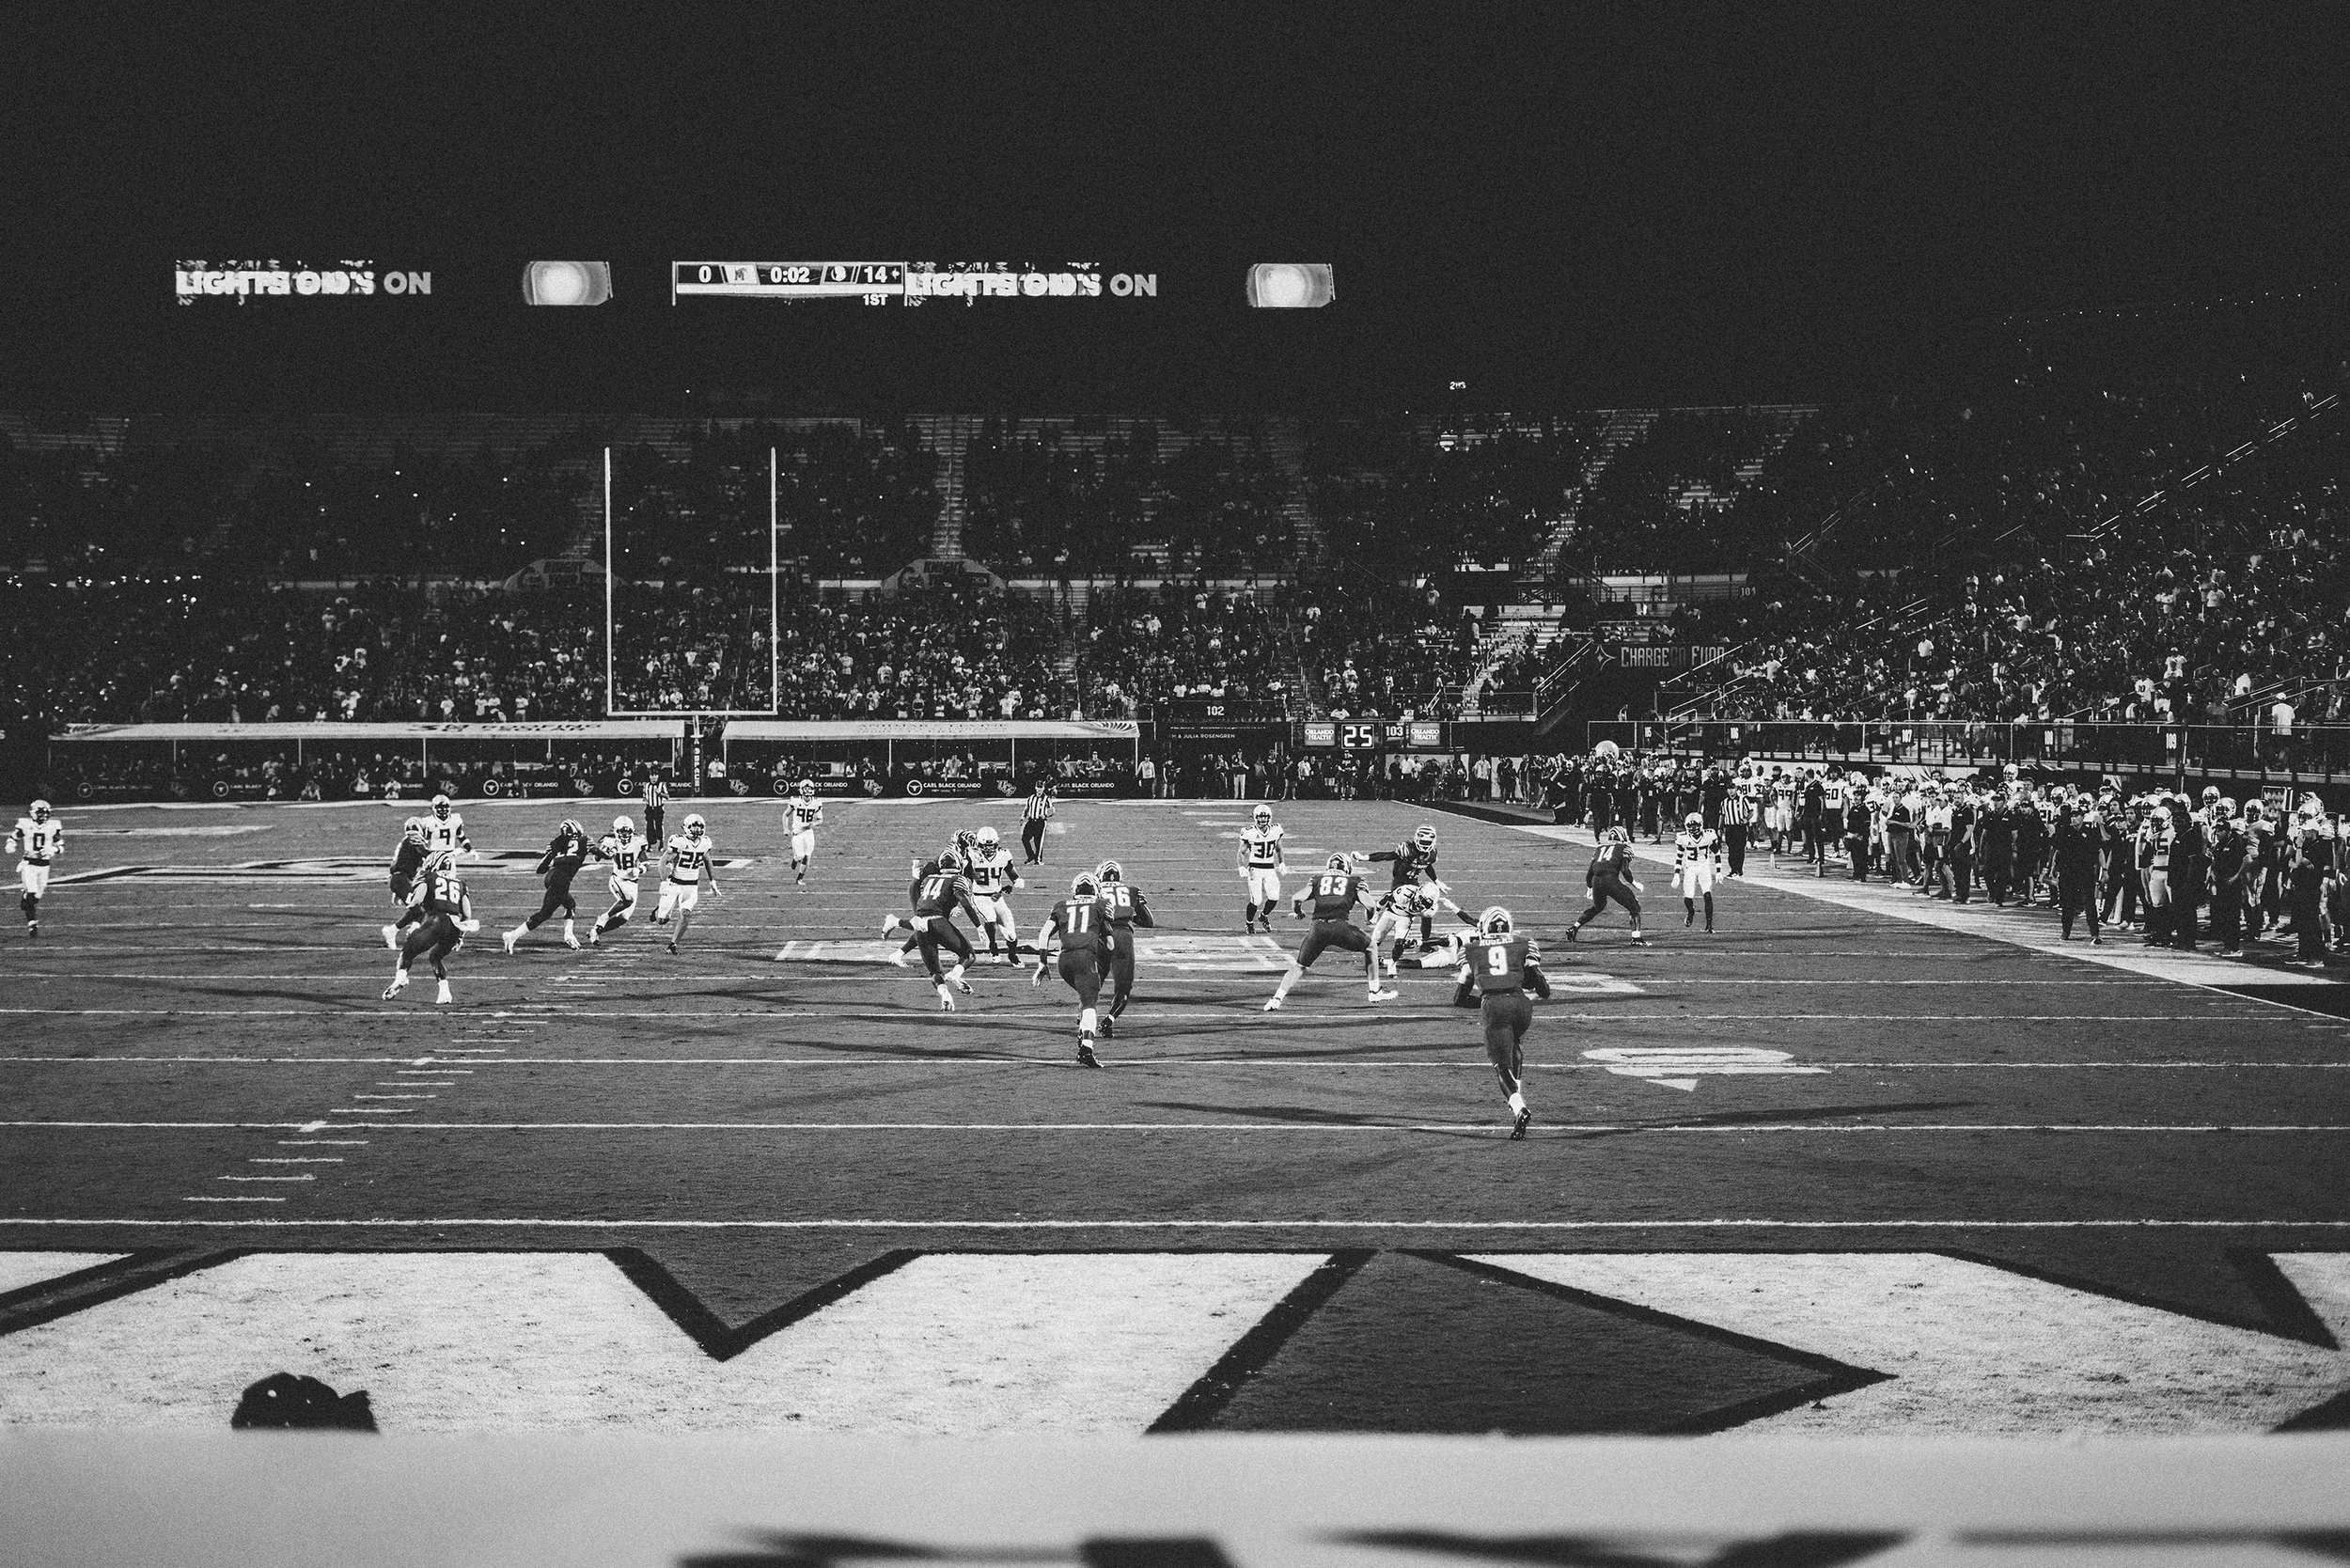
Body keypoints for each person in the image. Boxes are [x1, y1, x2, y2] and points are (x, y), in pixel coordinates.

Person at [1451, 905, 1551, 1140]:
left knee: (1500, 1066)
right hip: (1522, 1006)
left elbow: (1459, 999)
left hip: (1494, 1006)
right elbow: (1541, 986)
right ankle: (1516, 1095)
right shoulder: (1524, 943)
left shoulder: (1471, 949)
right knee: (1514, 1041)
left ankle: (1519, 1107)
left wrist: (1487, 1002)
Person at [1262, 852, 1399, 1010]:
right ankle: (1374, 991)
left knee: (1299, 966)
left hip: (1317, 928)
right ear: (1347, 868)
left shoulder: (1317, 880)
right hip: (1339, 927)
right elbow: (1371, 905)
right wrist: (1369, 918)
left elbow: (1296, 898)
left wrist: (1299, 913)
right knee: (1371, 947)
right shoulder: (1355, 881)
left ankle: (1276, 999)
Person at [882, 849, 979, 1010]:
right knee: (968, 954)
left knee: (935, 972)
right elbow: (961, 900)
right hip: (935, 920)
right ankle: (954, 974)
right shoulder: (957, 878)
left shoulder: (929, 878)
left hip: (924, 918)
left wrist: (916, 879)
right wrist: (978, 926)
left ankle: (945, 995)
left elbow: (925, 899)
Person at [382, 850, 478, 1006]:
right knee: (435, 956)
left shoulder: (428, 877)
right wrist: (460, 937)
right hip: (454, 926)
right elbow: (467, 915)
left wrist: (411, 904)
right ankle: (444, 993)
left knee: (407, 954)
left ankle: (401, 979)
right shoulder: (460, 885)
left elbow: (417, 902)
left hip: (436, 922)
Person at [1033, 871, 1109, 1067]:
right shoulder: (1100, 905)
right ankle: (1086, 1048)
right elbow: (1109, 943)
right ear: (1096, 890)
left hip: (1063, 961)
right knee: (1090, 1002)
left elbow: (1044, 934)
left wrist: (1042, 963)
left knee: (1084, 998)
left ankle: (1082, 1030)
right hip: (1085, 958)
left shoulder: (1061, 906)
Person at [503, 818, 604, 952]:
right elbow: (598, 853)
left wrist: (554, 856)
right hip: (562, 880)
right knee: (545, 914)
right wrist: (610, 854)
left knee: (570, 904)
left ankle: (568, 934)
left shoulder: (556, 842)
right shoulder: (584, 840)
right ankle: (512, 936)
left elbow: (540, 869)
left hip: (550, 877)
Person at [1091, 859, 1154, 1036]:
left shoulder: (1096, 890)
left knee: (1094, 983)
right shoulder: (1131, 891)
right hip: (1123, 938)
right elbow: (1148, 922)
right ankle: (1108, 1021)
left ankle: (1085, 1016)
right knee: (1123, 988)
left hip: (1102, 936)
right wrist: (1129, 916)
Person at [1363, 823, 1444, 950]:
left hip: (1413, 883)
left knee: (1426, 913)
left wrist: (1437, 881)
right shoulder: (1407, 849)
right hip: (1400, 883)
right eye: (1423, 841)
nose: (1425, 844)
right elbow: (1386, 856)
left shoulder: (1431, 854)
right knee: (1394, 910)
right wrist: (1365, 858)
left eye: (1428, 842)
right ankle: (1375, 917)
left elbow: (1427, 866)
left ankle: (1425, 943)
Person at [653, 813, 722, 955]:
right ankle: (657, 912)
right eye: (694, 826)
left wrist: (712, 881)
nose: (697, 829)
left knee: (685, 914)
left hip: (691, 886)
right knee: (662, 920)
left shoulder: (705, 842)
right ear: (686, 827)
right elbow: (662, 861)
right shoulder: (678, 841)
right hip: (674, 884)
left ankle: (673, 944)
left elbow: (707, 860)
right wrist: (663, 881)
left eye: (699, 826)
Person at [1566, 826, 1648, 945]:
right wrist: (1634, 883)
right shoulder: (1625, 848)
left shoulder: (1599, 848)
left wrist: (1589, 888)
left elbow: (1590, 872)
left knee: (1598, 906)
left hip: (1596, 880)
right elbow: (1625, 870)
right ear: (1622, 836)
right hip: (1610, 880)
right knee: (1634, 907)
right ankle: (1636, 938)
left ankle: (1574, 928)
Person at [962, 824, 1027, 962]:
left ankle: (1012, 954)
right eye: (985, 846)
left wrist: (1017, 879)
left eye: (991, 845)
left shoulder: (1003, 854)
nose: (989, 849)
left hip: (997, 898)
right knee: (990, 918)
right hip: (979, 896)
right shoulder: (971, 854)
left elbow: (1010, 870)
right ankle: (993, 948)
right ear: (979, 844)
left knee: (1011, 934)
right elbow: (964, 872)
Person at [2052, 800, 2104, 944]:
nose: (2073, 818)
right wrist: (2052, 870)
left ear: (2082, 817)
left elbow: (2099, 850)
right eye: (2072, 816)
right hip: (2067, 872)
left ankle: (2094, 933)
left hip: (2085, 872)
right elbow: (2057, 851)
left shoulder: (2090, 832)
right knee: (2066, 903)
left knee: (2089, 904)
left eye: (2076, 815)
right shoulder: (2064, 831)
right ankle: (2066, 931)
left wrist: (2104, 870)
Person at [9, 799, 62, 938]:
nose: (43, 815)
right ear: (33, 813)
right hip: (29, 864)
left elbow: (61, 846)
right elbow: (14, 837)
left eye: (45, 813)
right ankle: (32, 924)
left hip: (44, 866)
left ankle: (25, 896)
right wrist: (11, 844)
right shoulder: (26, 825)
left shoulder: (52, 826)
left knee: (36, 898)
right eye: (40, 812)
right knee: (32, 893)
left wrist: (53, 849)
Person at [588, 815, 646, 944]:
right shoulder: (610, 841)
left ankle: (595, 931)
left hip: (633, 882)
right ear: (616, 831)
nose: (625, 835)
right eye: (621, 832)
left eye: (627, 832)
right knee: (627, 900)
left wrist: (639, 870)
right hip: (618, 879)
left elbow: (646, 862)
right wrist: (604, 852)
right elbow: (596, 858)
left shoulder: (638, 842)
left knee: (623, 918)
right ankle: (603, 917)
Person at [380, 816, 434, 950]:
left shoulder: (406, 842)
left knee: (421, 909)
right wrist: (440, 856)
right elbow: (426, 855)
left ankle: (413, 933)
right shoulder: (413, 839)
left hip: (400, 880)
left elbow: (404, 863)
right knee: (419, 910)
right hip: (400, 880)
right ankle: (393, 930)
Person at [1237, 802, 1287, 933]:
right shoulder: (1249, 832)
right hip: (1254, 869)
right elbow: (1241, 852)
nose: (1262, 820)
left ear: (1269, 818)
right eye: (1260, 817)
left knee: (1274, 897)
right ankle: (1249, 923)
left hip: (1270, 868)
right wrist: (1241, 866)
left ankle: (1264, 916)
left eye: (1265, 817)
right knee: (1256, 900)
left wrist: (1282, 863)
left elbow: (1279, 849)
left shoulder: (1275, 830)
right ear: (1255, 817)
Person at [1671, 811, 1722, 933]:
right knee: (1688, 897)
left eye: (1695, 826)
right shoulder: (1682, 837)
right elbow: (1679, 857)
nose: (1693, 829)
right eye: (1690, 826)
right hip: (1690, 867)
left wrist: (1718, 871)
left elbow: (1717, 853)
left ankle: (1709, 925)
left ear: (1701, 825)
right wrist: (1676, 874)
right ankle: (1691, 912)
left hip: (1704, 866)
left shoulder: (1709, 836)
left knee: (1707, 894)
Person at [783, 779, 824, 886]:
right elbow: (785, 815)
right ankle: (795, 859)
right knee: (801, 856)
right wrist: (786, 828)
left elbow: (820, 819)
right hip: (797, 832)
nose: (807, 791)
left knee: (808, 856)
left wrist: (814, 824)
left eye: (809, 789)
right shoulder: (796, 801)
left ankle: (799, 879)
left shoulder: (816, 802)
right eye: (805, 788)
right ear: (801, 790)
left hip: (808, 833)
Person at [421, 792, 473, 858]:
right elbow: (424, 841)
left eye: (446, 807)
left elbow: (461, 836)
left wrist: (469, 848)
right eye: (440, 807)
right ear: (433, 808)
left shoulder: (455, 819)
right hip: (435, 855)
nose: (443, 809)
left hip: (451, 854)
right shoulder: (429, 821)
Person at [1020, 779, 1054, 863]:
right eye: (1038, 787)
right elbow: (1026, 808)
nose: (1039, 789)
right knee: (1025, 839)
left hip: (1040, 822)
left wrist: (1045, 815)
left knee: (1038, 842)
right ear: (1035, 788)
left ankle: (1038, 860)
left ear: (1043, 788)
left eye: (1041, 787)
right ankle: (1031, 855)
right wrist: (1022, 817)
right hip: (1031, 821)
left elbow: (1052, 810)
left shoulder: (1046, 798)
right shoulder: (1031, 798)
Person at [641, 774, 668, 845]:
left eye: (656, 775)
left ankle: (661, 842)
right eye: (652, 775)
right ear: (649, 776)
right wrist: (645, 798)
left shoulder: (661, 785)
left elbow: (667, 796)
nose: (654, 778)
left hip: (658, 808)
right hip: (649, 808)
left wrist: (660, 794)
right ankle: (650, 843)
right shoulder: (646, 785)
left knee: (659, 824)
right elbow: (644, 794)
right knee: (649, 825)